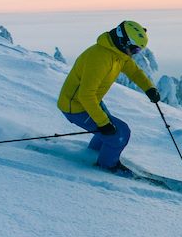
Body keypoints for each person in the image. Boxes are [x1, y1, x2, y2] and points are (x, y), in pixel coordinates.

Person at [57, 20, 161, 173]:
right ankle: (107, 166)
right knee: (120, 133)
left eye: (138, 50)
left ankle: (93, 153)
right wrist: (103, 123)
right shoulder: (99, 58)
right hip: (75, 106)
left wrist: (149, 88)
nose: (134, 53)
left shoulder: (118, 53)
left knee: (110, 129)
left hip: (89, 102)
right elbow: (85, 95)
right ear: (123, 41)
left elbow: (134, 72)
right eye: (134, 49)